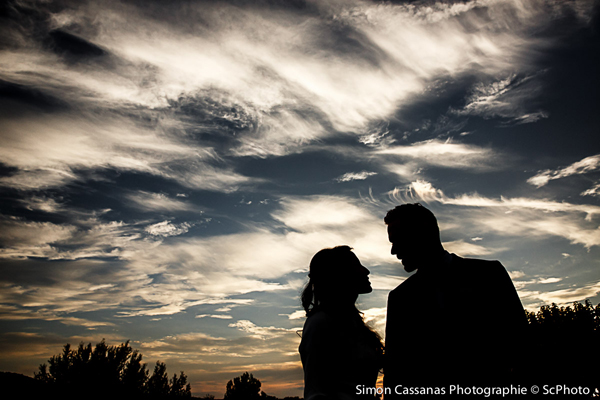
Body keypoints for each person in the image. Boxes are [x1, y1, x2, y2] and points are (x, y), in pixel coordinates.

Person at [383, 204, 527, 394]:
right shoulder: (399, 298)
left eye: (398, 240)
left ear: (424, 232)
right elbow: (396, 370)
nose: (393, 251)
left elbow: (522, 342)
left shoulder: (488, 274)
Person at [299, 246, 384, 400]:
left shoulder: (353, 323)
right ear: (340, 275)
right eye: (357, 266)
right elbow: (316, 393)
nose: (366, 271)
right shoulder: (320, 324)